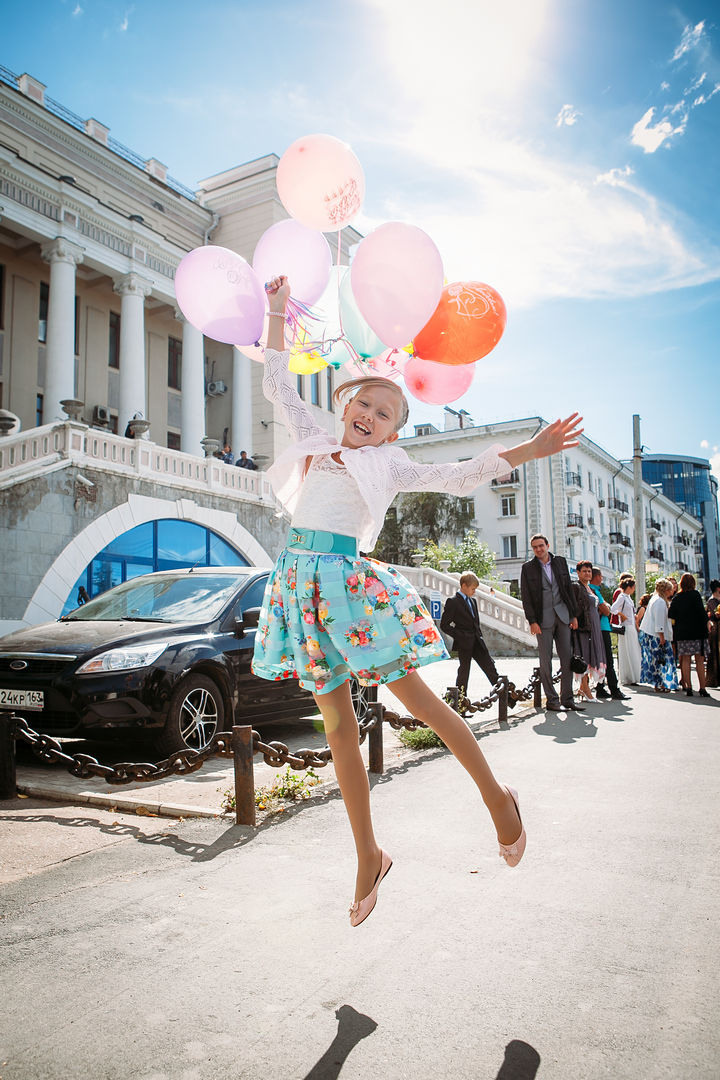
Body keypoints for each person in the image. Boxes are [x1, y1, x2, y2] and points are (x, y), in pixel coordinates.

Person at [252, 275, 583, 925]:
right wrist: (272, 310)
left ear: (393, 429)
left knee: (423, 705)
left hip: (349, 589)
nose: (369, 417)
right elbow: (276, 381)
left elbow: (458, 476)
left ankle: (497, 799)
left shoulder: (390, 465)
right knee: (339, 728)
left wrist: (529, 450)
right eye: (363, 405)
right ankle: (367, 854)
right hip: (300, 588)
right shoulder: (315, 439)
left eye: (384, 414)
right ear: (345, 403)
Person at [520, 535, 582, 712]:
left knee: (567, 659)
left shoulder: (560, 562)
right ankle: (552, 700)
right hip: (542, 620)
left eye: (541, 546)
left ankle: (567, 699)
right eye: (535, 547)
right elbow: (526, 596)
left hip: (563, 616)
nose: (539, 549)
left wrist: (573, 615)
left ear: (548, 545)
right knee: (545, 661)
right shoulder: (528, 568)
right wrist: (532, 621)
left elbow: (568, 590)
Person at [440, 572, 516, 708]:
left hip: (477, 641)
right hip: (464, 642)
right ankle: (461, 705)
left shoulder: (472, 601)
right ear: (464, 586)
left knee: (490, 668)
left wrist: (480, 638)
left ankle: (507, 699)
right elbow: (444, 625)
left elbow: (476, 623)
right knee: (464, 672)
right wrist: (460, 635)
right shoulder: (453, 601)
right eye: (473, 589)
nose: (474, 592)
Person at [589, 568, 629, 701]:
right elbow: (606, 611)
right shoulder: (594, 590)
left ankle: (600, 688)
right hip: (602, 628)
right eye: (600, 576)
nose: (602, 579)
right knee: (607, 660)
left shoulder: (593, 590)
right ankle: (614, 690)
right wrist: (605, 605)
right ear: (596, 577)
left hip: (599, 627)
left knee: (602, 659)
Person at [668, 573, 711, 697]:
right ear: (693, 583)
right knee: (699, 660)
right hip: (698, 633)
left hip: (682, 633)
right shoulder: (696, 595)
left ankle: (689, 688)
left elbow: (671, 615)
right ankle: (702, 688)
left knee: (685, 660)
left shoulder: (677, 597)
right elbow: (702, 613)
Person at [571, 561, 606, 702]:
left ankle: (583, 688)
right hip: (583, 627)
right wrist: (574, 618)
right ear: (578, 572)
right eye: (584, 571)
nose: (587, 573)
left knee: (591, 656)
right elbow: (572, 605)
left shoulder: (590, 588)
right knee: (584, 655)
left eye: (589, 571)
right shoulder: (576, 586)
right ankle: (585, 689)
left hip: (594, 626)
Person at [639, 579, 679, 693]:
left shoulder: (655, 599)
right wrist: (662, 636)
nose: (672, 592)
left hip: (652, 633)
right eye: (671, 590)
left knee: (656, 660)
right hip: (657, 635)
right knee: (661, 660)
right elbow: (659, 620)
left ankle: (659, 683)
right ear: (666, 590)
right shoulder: (660, 602)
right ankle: (661, 683)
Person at [610, 577, 641, 685]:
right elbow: (613, 609)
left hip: (631, 626)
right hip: (626, 627)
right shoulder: (622, 597)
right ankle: (629, 676)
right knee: (628, 650)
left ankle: (633, 676)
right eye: (633, 587)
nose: (634, 589)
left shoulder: (628, 597)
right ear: (629, 587)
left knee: (632, 650)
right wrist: (621, 615)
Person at [706, 579, 720, 688]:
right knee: (715, 653)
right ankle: (714, 679)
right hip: (716, 629)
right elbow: (713, 615)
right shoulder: (711, 601)